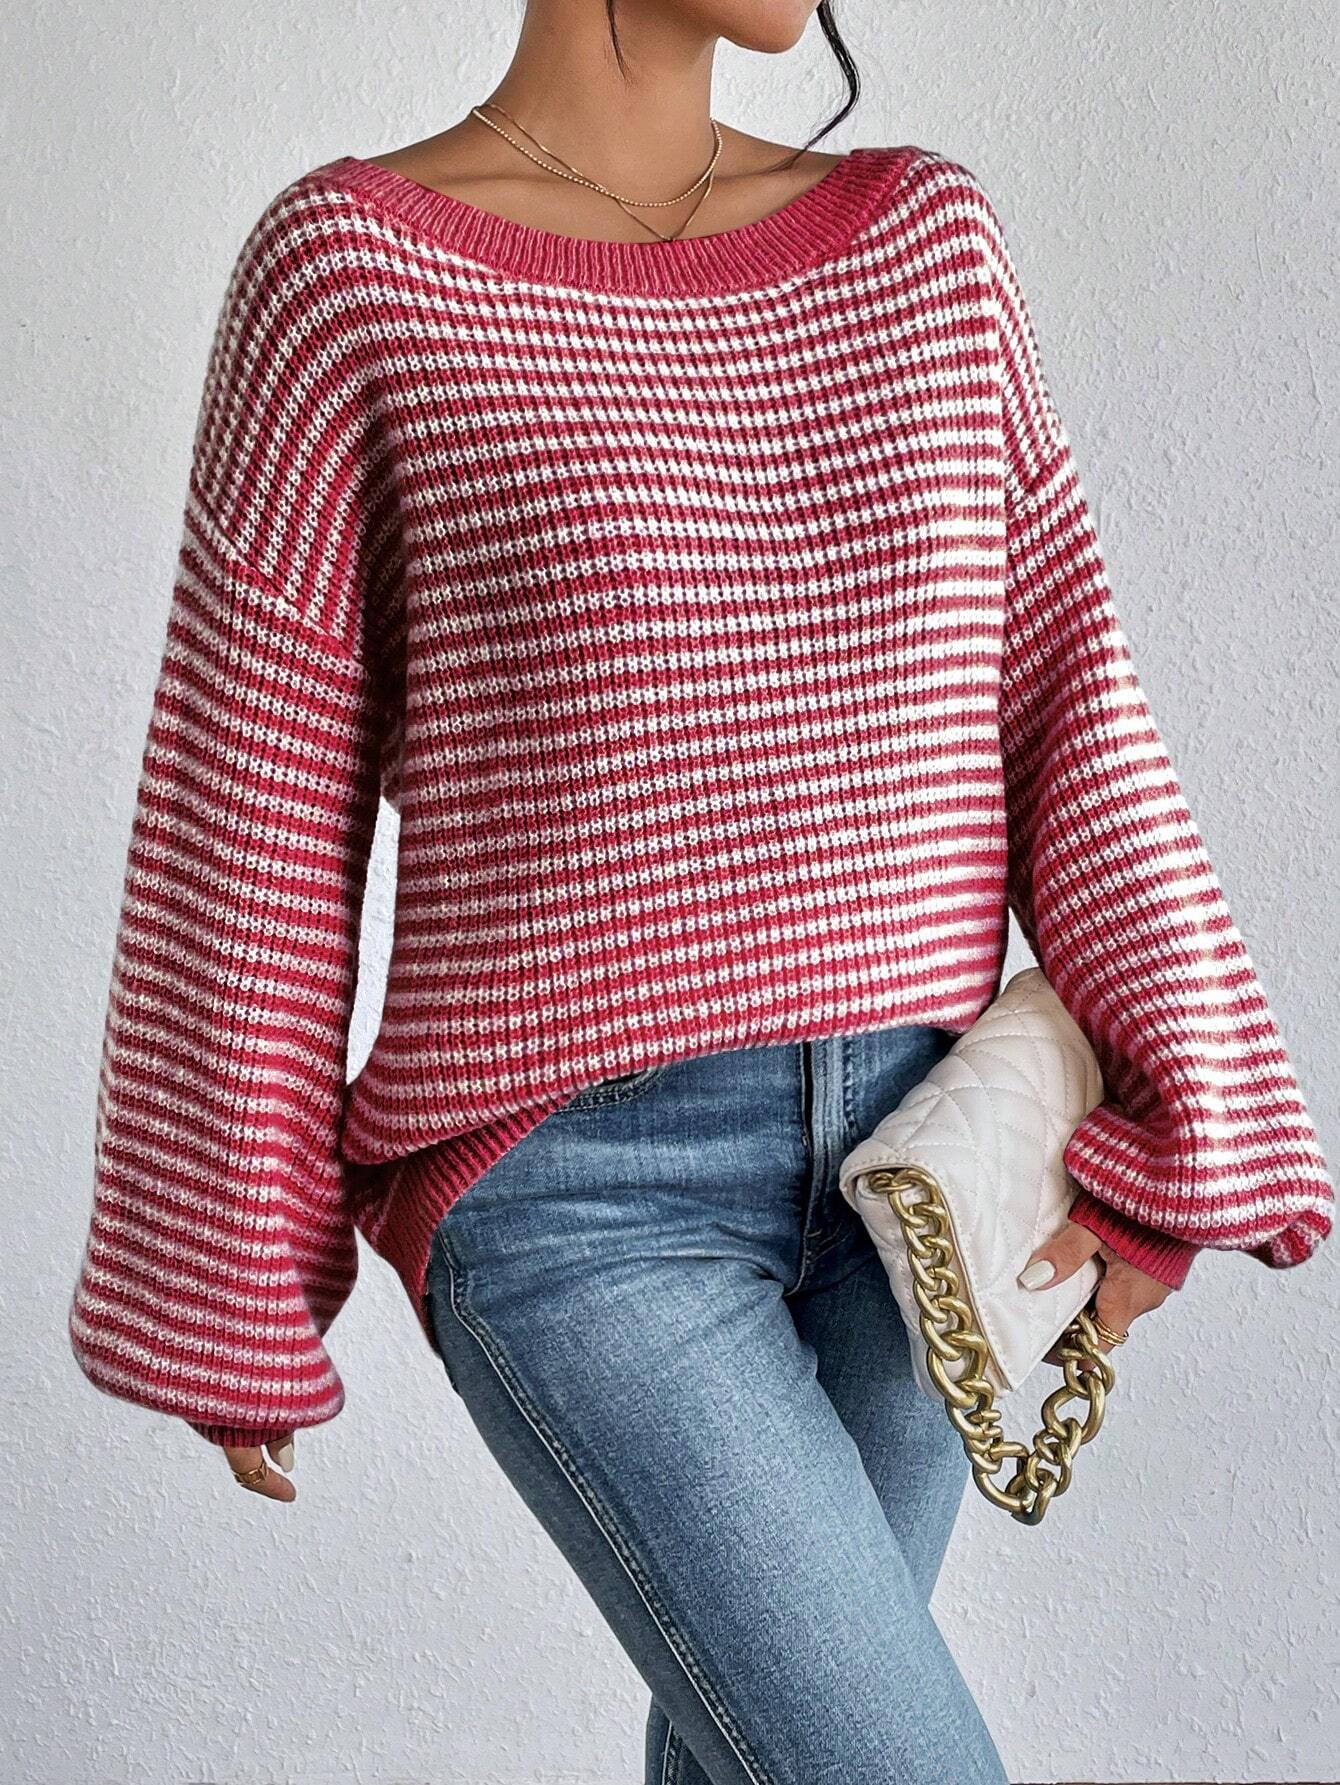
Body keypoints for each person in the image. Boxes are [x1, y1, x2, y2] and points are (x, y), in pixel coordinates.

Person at [67, 2, 1334, 1780]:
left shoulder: (928, 241)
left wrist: (1192, 1109)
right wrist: (229, 1263)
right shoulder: (347, 272)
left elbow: (1067, 691)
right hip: (580, 1205)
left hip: (929, 1174)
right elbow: (250, 795)